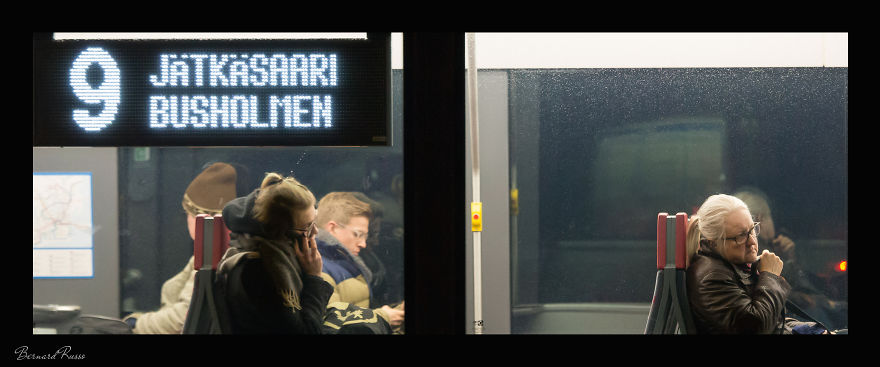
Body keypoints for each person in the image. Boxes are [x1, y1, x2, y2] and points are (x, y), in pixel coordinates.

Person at [685, 194, 830, 334]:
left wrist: (812, 330)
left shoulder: (733, 265)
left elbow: (774, 322)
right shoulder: (712, 276)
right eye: (741, 236)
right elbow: (758, 326)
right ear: (713, 242)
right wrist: (770, 276)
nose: (752, 242)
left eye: (752, 229)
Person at [123, 162, 238, 334]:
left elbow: (182, 318)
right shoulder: (211, 255)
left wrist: (135, 324)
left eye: (188, 214)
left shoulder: (215, 259)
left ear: (199, 218)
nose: (186, 220)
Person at [214, 172, 333, 334]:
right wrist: (314, 277)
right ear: (281, 232)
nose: (315, 232)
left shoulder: (279, 254)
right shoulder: (258, 270)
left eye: (314, 222)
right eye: (307, 227)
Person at [734, 187, 847, 329]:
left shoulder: (767, 247)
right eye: (770, 216)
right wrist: (818, 301)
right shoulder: (757, 252)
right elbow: (787, 295)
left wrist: (789, 257)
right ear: (760, 218)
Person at [314, 192, 405, 333]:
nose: (363, 244)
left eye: (366, 236)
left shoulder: (343, 262)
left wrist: (396, 311)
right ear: (333, 228)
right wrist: (383, 317)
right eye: (358, 234)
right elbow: (332, 326)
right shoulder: (319, 268)